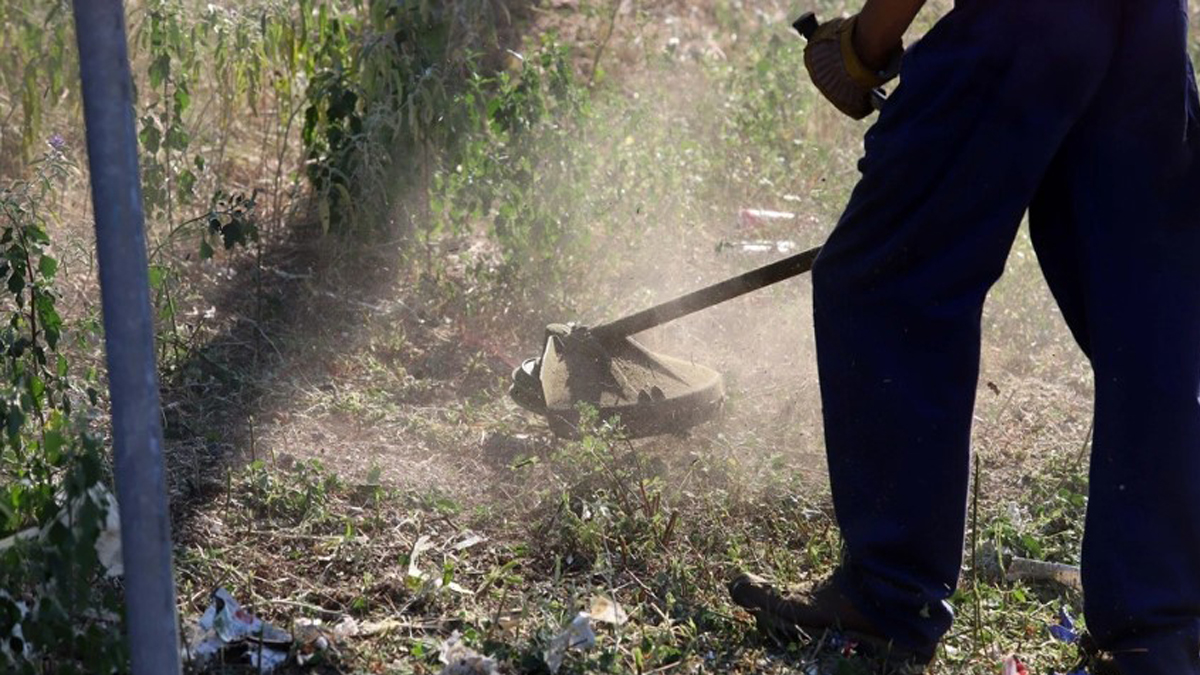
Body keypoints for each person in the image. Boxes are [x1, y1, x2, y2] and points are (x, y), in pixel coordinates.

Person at [728, 1, 1200, 674]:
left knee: (888, 277)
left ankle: (890, 594)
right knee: (1146, 313)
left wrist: (866, 43)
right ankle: (1161, 630)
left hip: (1025, 20)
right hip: (1148, 22)